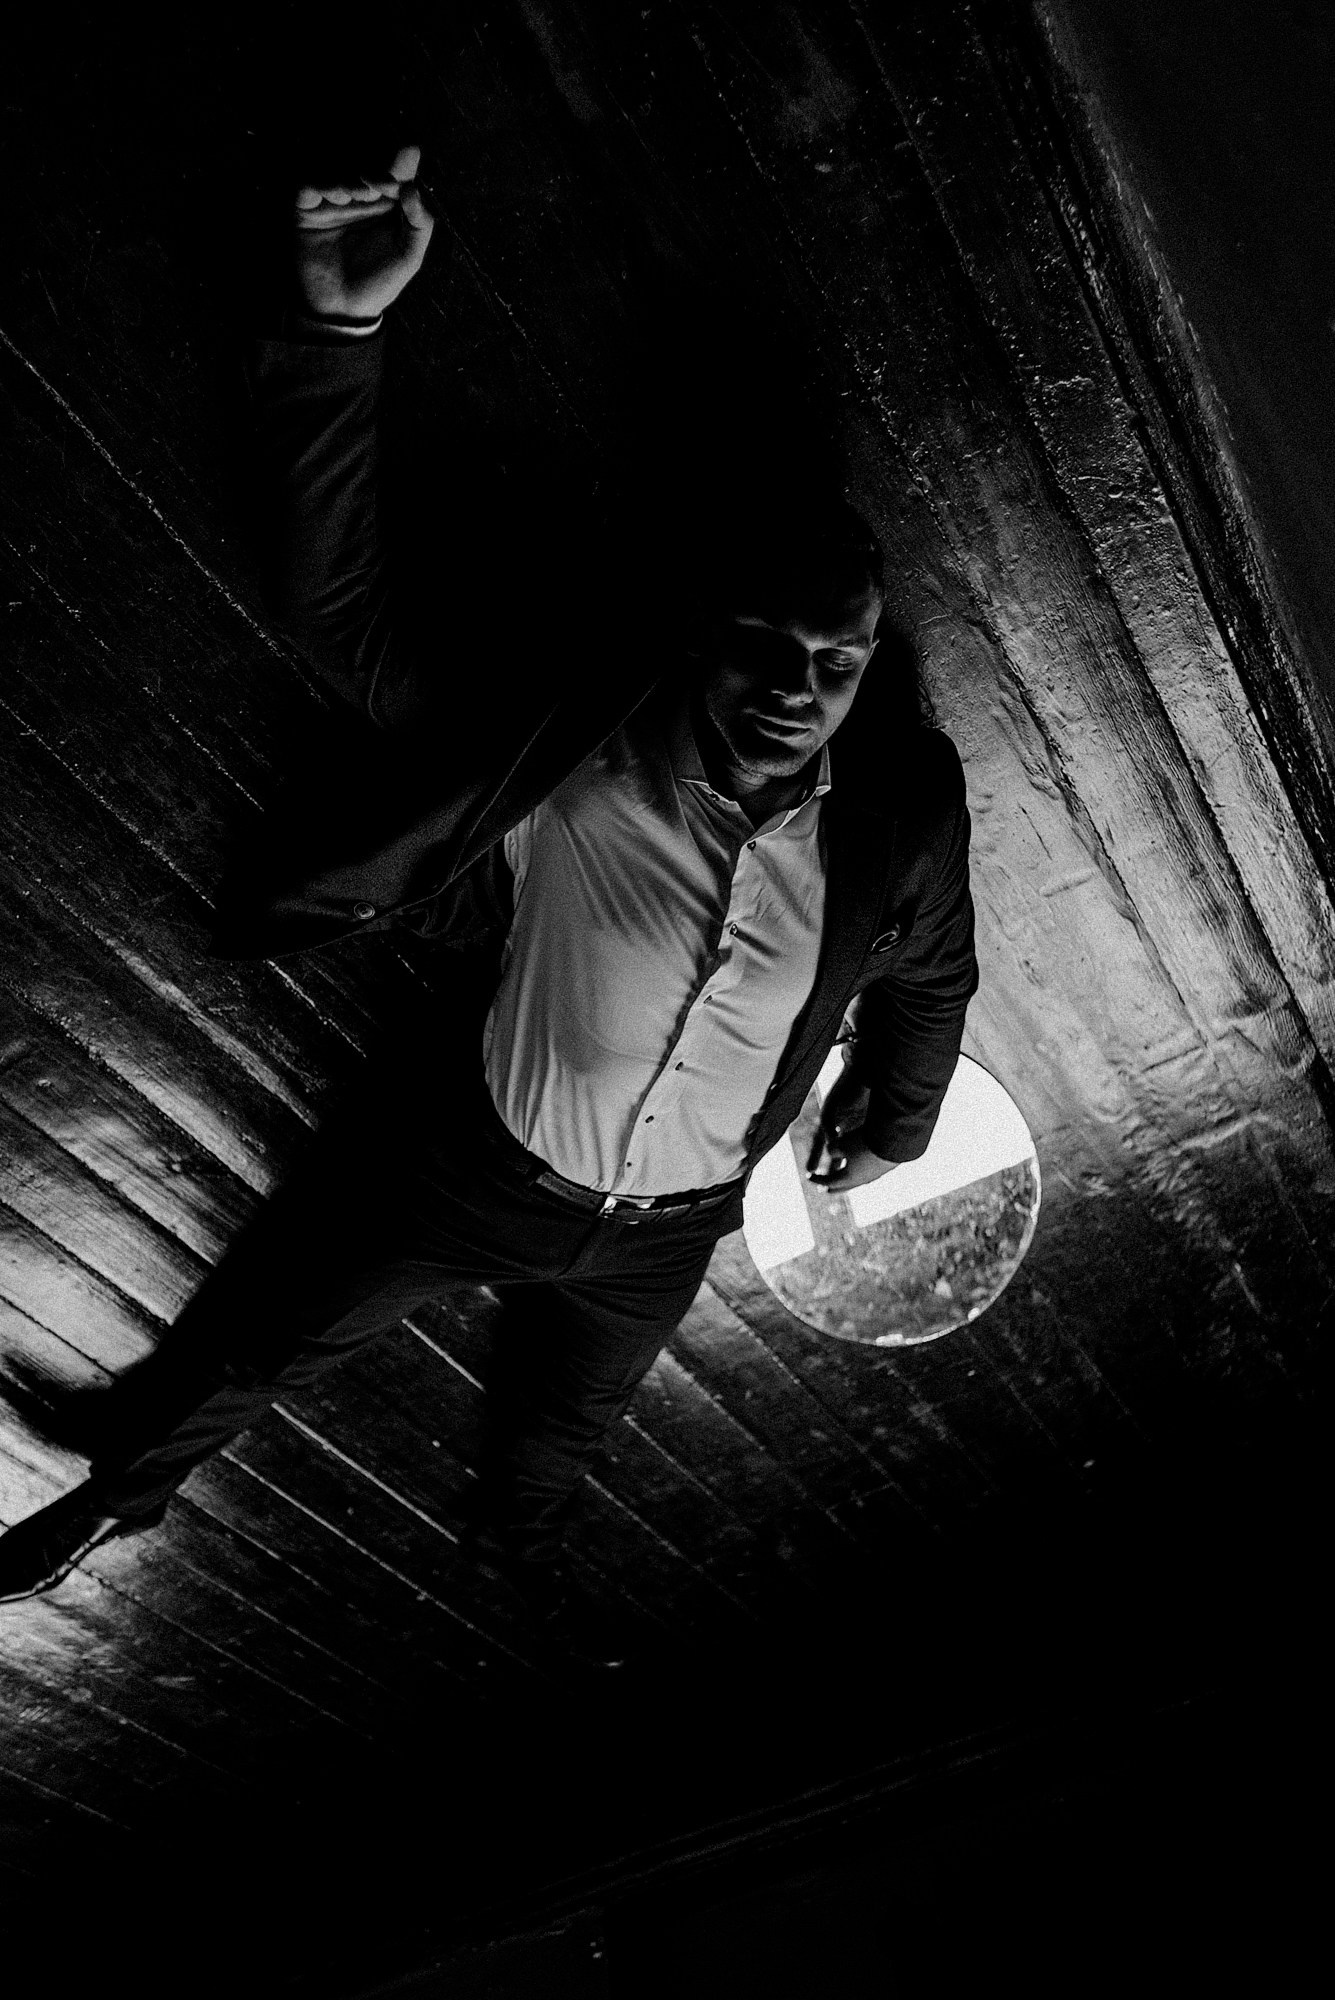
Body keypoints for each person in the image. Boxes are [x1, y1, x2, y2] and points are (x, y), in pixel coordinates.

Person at [0, 149, 978, 1658]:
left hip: (667, 1234)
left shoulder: (901, 807)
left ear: (868, 659)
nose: (798, 691)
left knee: (567, 1430)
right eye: (763, 645)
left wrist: (899, 1122)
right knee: (259, 1343)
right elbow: (343, 620)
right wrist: (335, 335)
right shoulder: (568, 745)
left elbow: (936, 974)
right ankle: (110, 1502)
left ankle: (523, 1568)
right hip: (473, 1171)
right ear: (696, 632)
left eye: (834, 662)